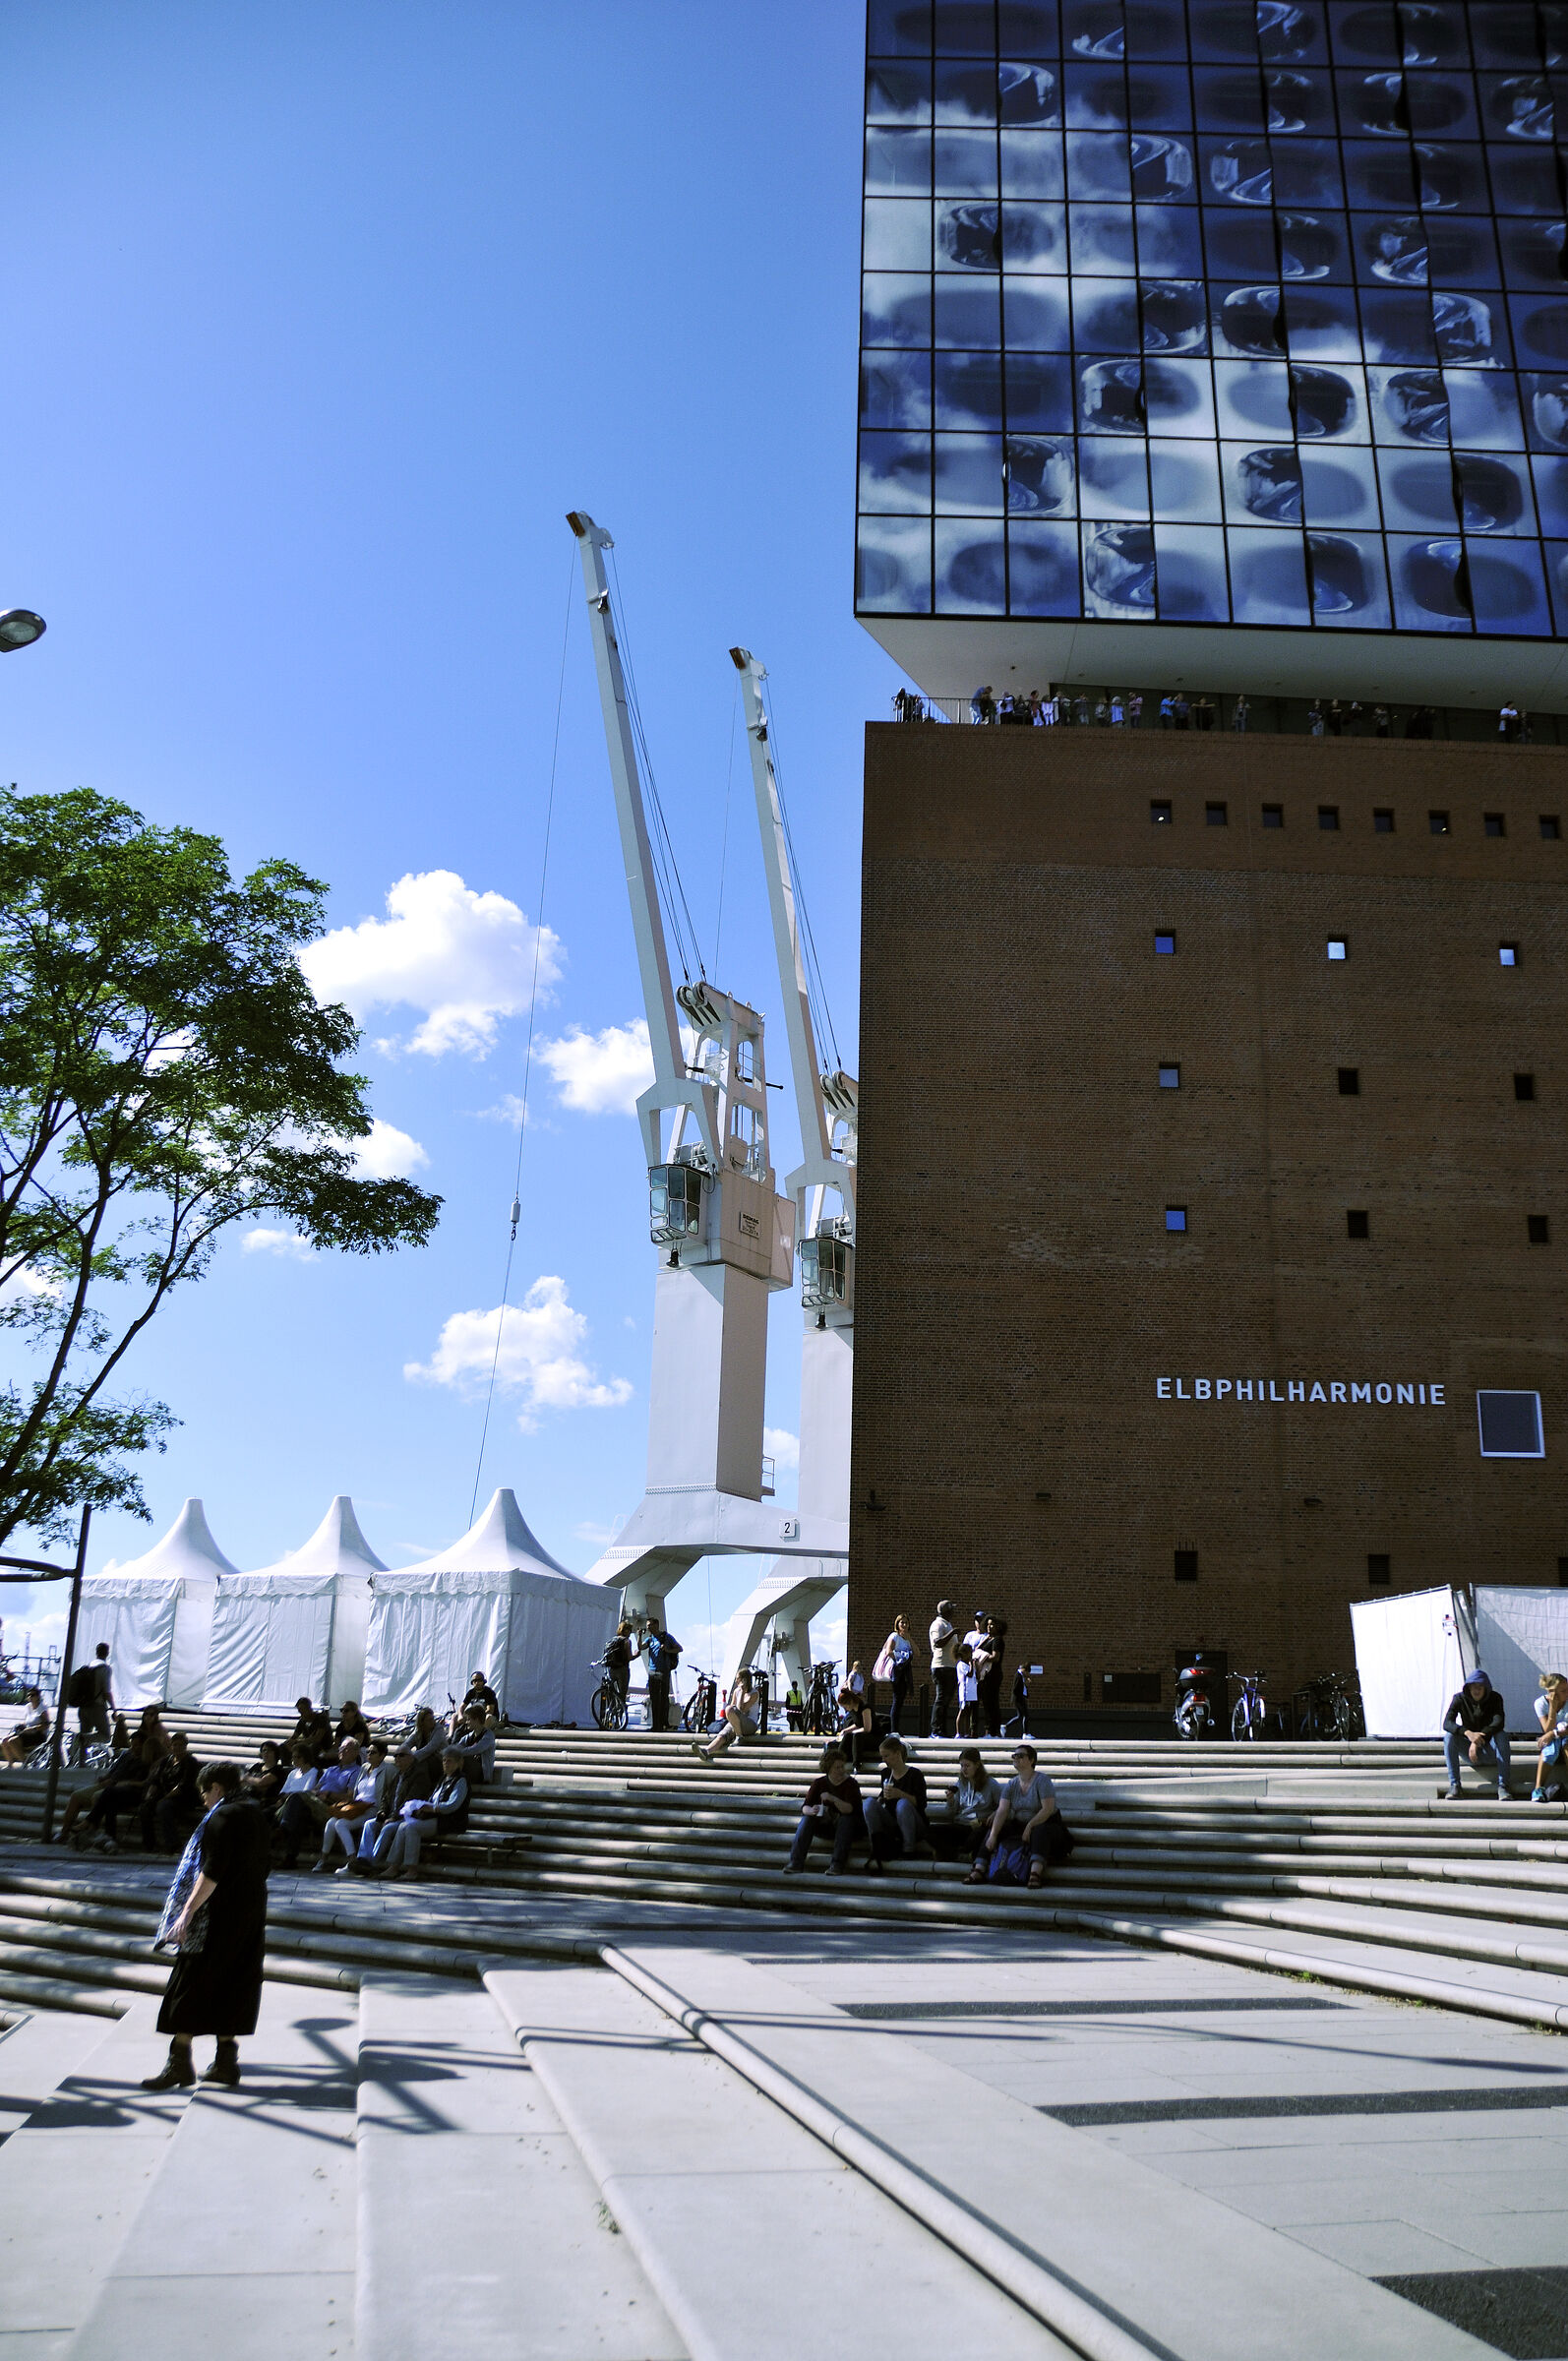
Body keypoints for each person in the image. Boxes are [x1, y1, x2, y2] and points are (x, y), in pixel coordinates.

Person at [142, 1759, 271, 2090]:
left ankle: (179, 2063)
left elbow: (211, 1872)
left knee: (188, 1982)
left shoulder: (222, 1817)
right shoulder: (255, 1812)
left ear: (217, 1788)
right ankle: (226, 2062)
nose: (203, 1799)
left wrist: (186, 1913)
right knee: (232, 1982)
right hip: (249, 1911)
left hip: (215, 1916)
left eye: (204, 1792)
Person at [972, 1744, 1070, 1888]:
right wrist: (993, 1834)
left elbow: (1047, 1809)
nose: (1016, 1758)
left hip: (1049, 1825)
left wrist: (1030, 1825)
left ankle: (1035, 1874)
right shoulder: (1012, 1784)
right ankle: (979, 1868)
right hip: (1020, 1826)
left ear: (1031, 1760)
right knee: (996, 1829)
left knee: (1039, 1831)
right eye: (1014, 1756)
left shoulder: (1042, 1781)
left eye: (1021, 1756)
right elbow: (1002, 1810)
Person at [374, 1749, 468, 1881]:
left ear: (459, 1763)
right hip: (435, 1818)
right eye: (444, 1760)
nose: (446, 1763)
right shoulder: (443, 1779)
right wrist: (421, 1807)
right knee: (403, 1826)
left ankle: (412, 1870)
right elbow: (433, 1800)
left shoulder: (460, 1780)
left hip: (450, 1821)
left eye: (450, 1761)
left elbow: (452, 1805)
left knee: (412, 1828)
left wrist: (432, 1808)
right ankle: (393, 1867)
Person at [785, 1746, 868, 1875]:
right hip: (827, 1826)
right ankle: (795, 1862)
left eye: (842, 1766)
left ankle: (837, 1864)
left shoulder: (851, 1784)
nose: (841, 1770)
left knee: (846, 1820)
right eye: (837, 1767)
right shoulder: (819, 1783)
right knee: (807, 1819)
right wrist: (812, 1810)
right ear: (828, 1769)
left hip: (850, 1828)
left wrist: (833, 1798)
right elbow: (805, 1807)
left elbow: (849, 1809)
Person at [318, 1738, 394, 1871]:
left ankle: (352, 1862)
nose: (369, 1754)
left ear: (382, 1755)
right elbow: (355, 1793)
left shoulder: (388, 1769)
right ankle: (322, 1860)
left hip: (372, 1808)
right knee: (331, 1822)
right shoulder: (365, 1768)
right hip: (356, 1806)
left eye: (373, 1752)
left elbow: (391, 1792)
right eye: (368, 1751)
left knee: (340, 1824)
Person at [865, 1734, 934, 1869]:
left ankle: (908, 1850)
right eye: (882, 1756)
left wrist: (901, 1794)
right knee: (868, 1803)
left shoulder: (915, 1774)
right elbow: (882, 1796)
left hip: (915, 1823)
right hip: (892, 1821)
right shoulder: (886, 1773)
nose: (883, 1760)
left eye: (886, 1756)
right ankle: (877, 1845)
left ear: (897, 1754)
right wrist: (879, 1801)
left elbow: (921, 1803)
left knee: (902, 1804)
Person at [1442, 1669, 1512, 1799]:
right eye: (1473, 1687)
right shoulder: (1459, 1698)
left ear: (1486, 1688)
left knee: (1501, 1735)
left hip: (1490, 1751)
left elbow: (1499, 1722)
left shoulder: (1495, 1698)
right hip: (1469, 1753)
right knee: (1449, 1736)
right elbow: (1447, 1723)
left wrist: (1477, 1739)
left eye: (1480, 1687)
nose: (1476, 1691)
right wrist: (1468, 1733)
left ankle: (1503, 1785)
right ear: (1468, 1688)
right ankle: (1455, 1785)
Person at [140, 1729, 203, 1854]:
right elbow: (156, 1779)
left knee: (163, 1807)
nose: (177, 1748)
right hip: (166, 1795)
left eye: (180, 1745)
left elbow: (183, 1786)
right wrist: (150, 1793)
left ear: (185, 1747)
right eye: (175, 1745)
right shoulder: (166, 1761)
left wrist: (165, 1798)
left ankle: (173, 1844)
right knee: (145, 1808)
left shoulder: (190, 1762)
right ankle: (149, 1844)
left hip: (183, 1797)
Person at [941, 1747, 1003, 1862]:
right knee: (929, 1831)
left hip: (977, 1825)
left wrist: (995, 1814)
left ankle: (953, 1853)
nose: (964, 1769)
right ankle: (958, 1854)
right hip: (961, 1824)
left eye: (967, 1766)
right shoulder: (960, 1783)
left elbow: (1004, 1807)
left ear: (977, 1765)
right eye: (962, 1766)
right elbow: (950, 1814)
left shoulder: (991, 1784)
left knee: (979, 1834)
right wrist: (950, 1802)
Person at [693, 1666, 760, 1764]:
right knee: (722, 1735)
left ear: (744, 1680)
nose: (736, 1681)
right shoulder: (736, 1691)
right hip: (735, 1722)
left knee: (729, 1709)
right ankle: (706, 1751)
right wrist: (739, 1692)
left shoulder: (754, 1694)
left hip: (750, 1724)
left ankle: (739, 1737)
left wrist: (742, 1693)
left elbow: (742, 1710)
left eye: (738, 1678)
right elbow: (732, 1708)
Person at [274, 1742, 321, 1868]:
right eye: (293, 1757)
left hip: (305, 1806)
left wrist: (289, 1795)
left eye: (297, 1757)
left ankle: (284, 1829)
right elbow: (283, 1792)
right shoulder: (292, 1773)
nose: (294, 1760)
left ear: (305, 1757)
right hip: (289, 1807)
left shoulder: (314, 1772)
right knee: (295, 1821)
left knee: (296, 1801)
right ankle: (288, 1858)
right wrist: (286, 1797)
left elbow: (305, 1793)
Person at [67, 1642, 113, 1754]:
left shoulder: (88, 1667)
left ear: (96, 1652)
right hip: (97, 1707)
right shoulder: (105, 1669)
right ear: (107, 1653)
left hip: (83, 1707)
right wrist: (114, 1708)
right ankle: (80, 1739)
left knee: (85, 1736)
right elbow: (107, 1692)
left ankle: (79, 1764)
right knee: (105, 1736)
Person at [641, 1615, 683, 1733]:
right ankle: (656, 1725)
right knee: (654, 1699)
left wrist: (668, 1650)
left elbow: (679, 1648)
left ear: (656, 1625)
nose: (648, 1628)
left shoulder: (667, 1637)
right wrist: (639, 1636)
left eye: (650, 1625)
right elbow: (640, 1647)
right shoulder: (650, 1639)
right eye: (647, 1626)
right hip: (652, 1671)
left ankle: (663, 1723)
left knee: (663, 1698)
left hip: (663, 1671)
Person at [1534, 1673, 1568, 1801]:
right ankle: (1538, 1788)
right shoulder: (1540, 1703)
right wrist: (1552, 1708)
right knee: (1549, 1751)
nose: (1567, 1692)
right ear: (1552, 1692)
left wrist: (1554, 1733)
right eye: (1563, 1691)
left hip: (1564, 1736)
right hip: (1552, 1739)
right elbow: (1547, 1729)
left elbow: (1550, 1732)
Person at [929, 1600, 960, 1737]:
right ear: (946, 1611)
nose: (953, 1611)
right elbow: (938, 1643)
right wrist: (952, 1633)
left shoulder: (947, 1624)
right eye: (951, 1609)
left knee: (947, 1701)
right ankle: (935, 1730)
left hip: (951, 1666)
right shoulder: (938, 1624)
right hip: (941, 1667)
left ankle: (943, 1730)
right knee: (941, 1699)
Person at [880, 1614, 914, 1733]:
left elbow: (917, 1652)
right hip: (897, 1670)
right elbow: (889, 1652)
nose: (904, 1625)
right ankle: (894, 1730)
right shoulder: (894, 1636)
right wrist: (901, 1658)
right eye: (901, 1623)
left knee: (901, 1700)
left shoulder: (907, 1639)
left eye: (906, 1623)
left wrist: (909, 1638)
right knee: (897, 1699)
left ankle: (896, 1729)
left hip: (906, 1671)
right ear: (897, 1624)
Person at [451, 1704, 497, 1786]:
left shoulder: (489, 1735)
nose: (466, 1722)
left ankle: (454, 1781)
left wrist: (457, 1753)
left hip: (482, 1774)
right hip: (470, 1770)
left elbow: (476, 1749)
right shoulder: (469, 1736)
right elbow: (457, 1747)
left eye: (469, 1719)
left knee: (463, 1757)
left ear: (477, 1720)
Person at [1, 1686, 47, 1765]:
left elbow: (46, 1725)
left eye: (32, 1695)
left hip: (37, 1735)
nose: (30, 1697)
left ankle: (25, 1764)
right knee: (4, 1741)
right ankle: (10, 1764)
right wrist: (20, 1726)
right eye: (28, 1695)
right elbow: (27, 1721)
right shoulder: (28, 1707)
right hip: (26, 1732)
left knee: (12, 1741)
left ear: (38, 1696)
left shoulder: (42, 1708)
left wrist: (33, 1728)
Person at [978, 1615, 1007, 1738]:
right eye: (988, 1624)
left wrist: (982, 1657)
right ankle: (990, 1730)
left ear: (998, 1627)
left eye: (992, 1625)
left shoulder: (997, 1640)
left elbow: (995, 1657)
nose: (989, 1627)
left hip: (993, 1675)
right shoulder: (987, 1639)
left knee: (992, 1703)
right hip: (985, 1675)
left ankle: (993, 1731)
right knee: (987, 1702)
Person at [242, 1739, 284, 1813]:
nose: (266, 1753)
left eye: (269, 1750)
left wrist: (248, 1779)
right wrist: (254, 1782)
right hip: (245, 1795)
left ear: (275, 1753)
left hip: (262, 1801)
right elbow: (242, 1780)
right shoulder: (257, 1766)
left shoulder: (278, 1770)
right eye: (264, 1750)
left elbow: (261, 1782)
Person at [604, 1619, 634, 1709]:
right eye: (629, 1630)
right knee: (622, 1695)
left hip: (611, 1670)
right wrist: (637, 1655)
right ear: (625, 1630)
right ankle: (620, 1716)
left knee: (611, 1693)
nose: (630, 1633)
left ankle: (609, 1713)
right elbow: (629, 1657)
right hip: (623, 1670)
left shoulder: (612, 1640)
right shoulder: (627, 1641)